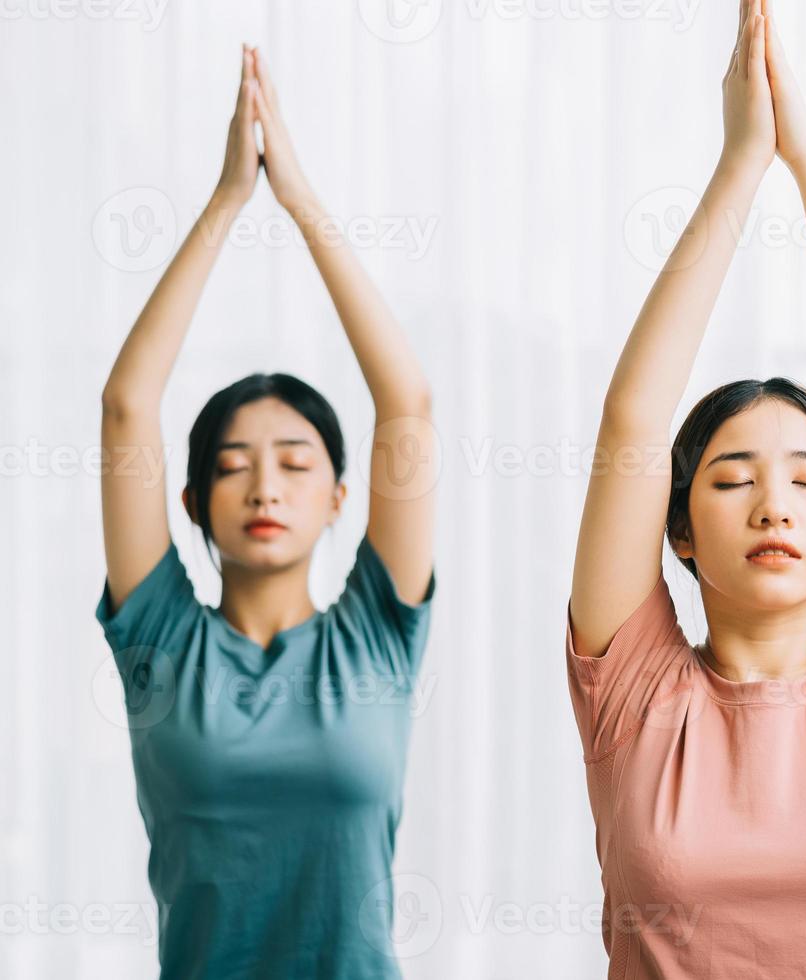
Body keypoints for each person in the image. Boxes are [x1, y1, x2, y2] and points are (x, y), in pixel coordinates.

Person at [565, 0, 806, 974]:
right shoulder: (631, 686)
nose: (774, 504)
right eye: (733, 479)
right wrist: (740, 167)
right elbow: (632, 425)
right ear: (681, 530)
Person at [95, 44, 437, 979]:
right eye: (234, 467)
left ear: (338, 496)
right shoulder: (159, 637)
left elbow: (406, 403)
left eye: (295, 463)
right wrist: (224, 204)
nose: (264, 487)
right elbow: (127, 405)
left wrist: (301, 203)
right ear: (194, 501)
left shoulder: (379, 634)